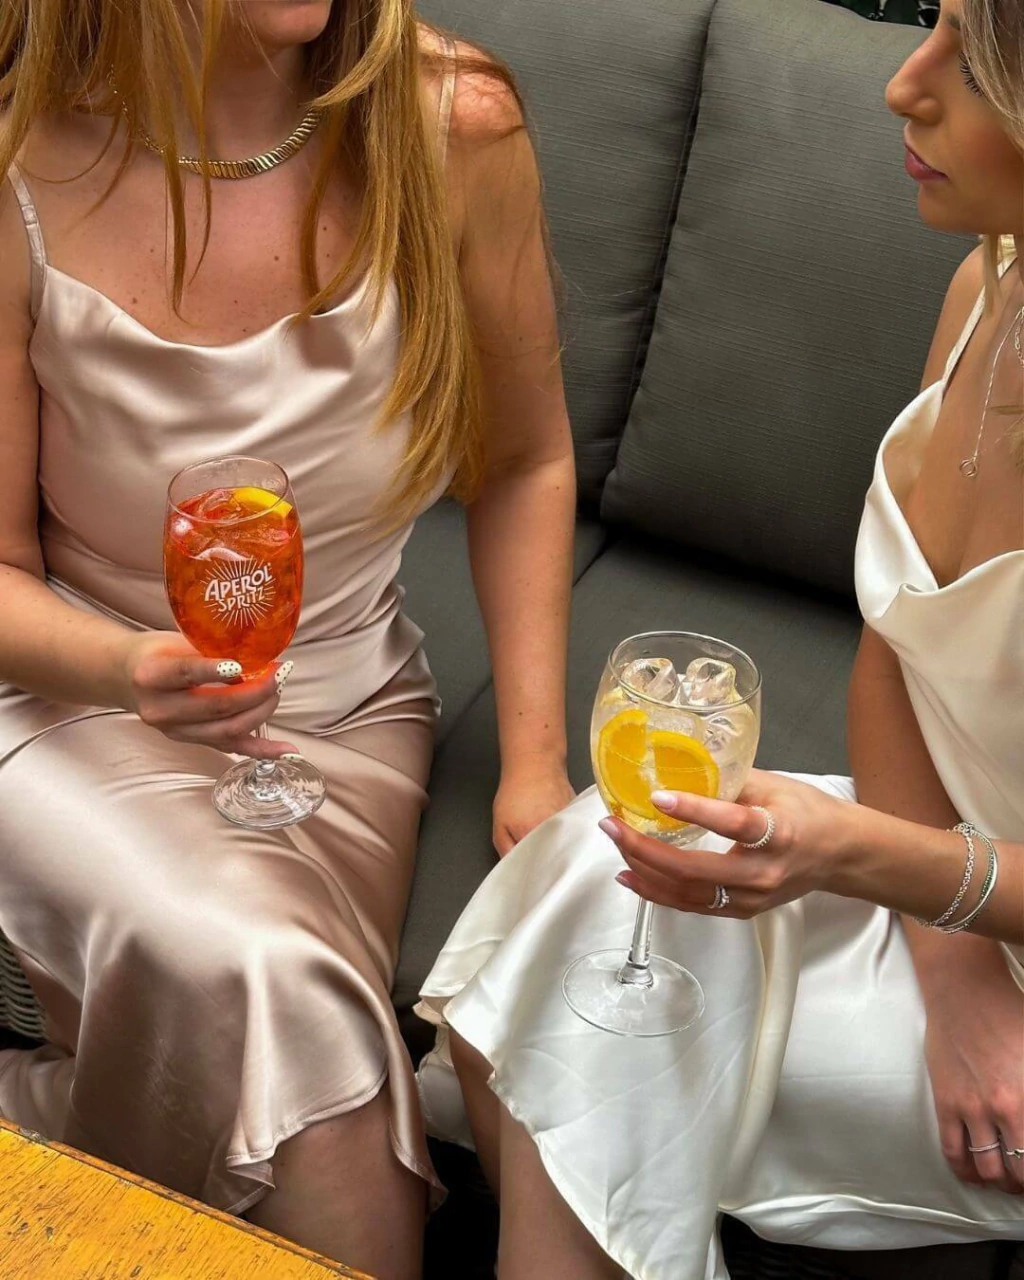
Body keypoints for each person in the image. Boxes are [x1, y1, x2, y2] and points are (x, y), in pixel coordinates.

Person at [416, 2, 1024, 1276]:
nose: (902, 86)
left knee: (580, 1032)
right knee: (589, 869)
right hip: (945, 896)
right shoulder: (988, 284)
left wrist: (882, 875)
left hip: (974, 922)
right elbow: (893, 656)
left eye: (967, 65)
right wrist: (948, 956)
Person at [0, 2, 575, 1277]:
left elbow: (525, 459)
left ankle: (44, 1143)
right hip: (71, 697)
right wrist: (127, 670)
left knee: (289, 1038)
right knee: (295, 1015)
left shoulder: (455, 125)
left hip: (348, 712)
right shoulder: (18, 160)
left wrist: (534, 763)